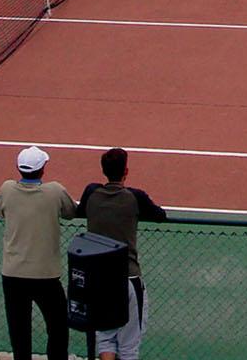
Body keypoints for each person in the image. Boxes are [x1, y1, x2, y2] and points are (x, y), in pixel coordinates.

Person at [77, 148, 167, 360]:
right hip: (128, 278)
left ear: (103, 170)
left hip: (98, 280)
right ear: (126, 171)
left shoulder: (91, 193)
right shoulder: (135, 197)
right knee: (128, 346)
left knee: (105, 339)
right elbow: (159, 215)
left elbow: (80, 211)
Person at [0, 145, 77, 360]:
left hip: (13, 274)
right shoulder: (55, 191)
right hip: (45, 276)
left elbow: (1, 211)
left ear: (18, 168)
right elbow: (71, 212)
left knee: (19, 331)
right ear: (42, 170)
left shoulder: (6, 189)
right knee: (58, 328)